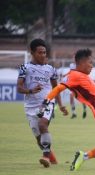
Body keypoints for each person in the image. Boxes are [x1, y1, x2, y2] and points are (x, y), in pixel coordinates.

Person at [17, 38, 69, 168]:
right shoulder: (25, 68)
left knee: (42, 125)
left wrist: (61, 105)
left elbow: (56, 89)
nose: (43, 55)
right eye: (40, 52)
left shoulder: (51, 69)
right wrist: (30, 90)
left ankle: (45, 157)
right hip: (30, 106)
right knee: (38, 137)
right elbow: (19, 88)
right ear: (32, 53)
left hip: (46, 103)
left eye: (44, 52)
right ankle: (52, 158)